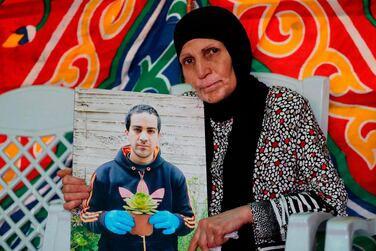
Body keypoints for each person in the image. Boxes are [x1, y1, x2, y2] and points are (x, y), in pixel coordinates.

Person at [58, 6, 347, 251]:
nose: (201, 72)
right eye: (188, 61)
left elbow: (330, 200)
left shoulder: (286, 107)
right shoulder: (175, 115)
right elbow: (144, 189)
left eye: (212, 52)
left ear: (235, 51)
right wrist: (89, 188)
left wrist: (244, 215)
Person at [78, 104, 195, 251]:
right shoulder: (104, 173)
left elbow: (190, 220)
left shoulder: (174, 175)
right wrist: (104, 219)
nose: (144, 137)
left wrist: (177, 221)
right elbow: (85, 215)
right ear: (127, 132)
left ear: (159, 135)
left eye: (151, 131)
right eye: (137, 129)